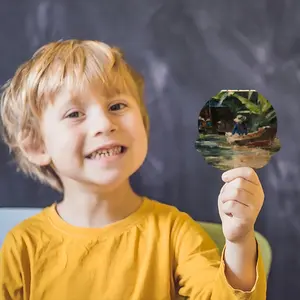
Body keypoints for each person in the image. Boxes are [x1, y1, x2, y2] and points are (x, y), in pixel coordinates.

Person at [0, 40, 266, 300]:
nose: (104, 124)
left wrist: (239, 240)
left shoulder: (174, 232)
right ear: (36, 145)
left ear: (143, 124)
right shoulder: (22, 246)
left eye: (117, 107)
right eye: (74, 114)